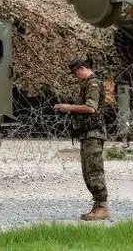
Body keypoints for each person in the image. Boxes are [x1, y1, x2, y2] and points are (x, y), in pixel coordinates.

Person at [53, 54, 109, 221]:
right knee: (88, 171)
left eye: (76, 72)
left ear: (82, 68)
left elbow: (91, 108)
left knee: (94, 170)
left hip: (94, 133)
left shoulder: (93, 83)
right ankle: (98, 205)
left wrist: (68, 107)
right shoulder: (87, 84)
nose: (76, 76)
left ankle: (102, 207)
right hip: (87, 133)